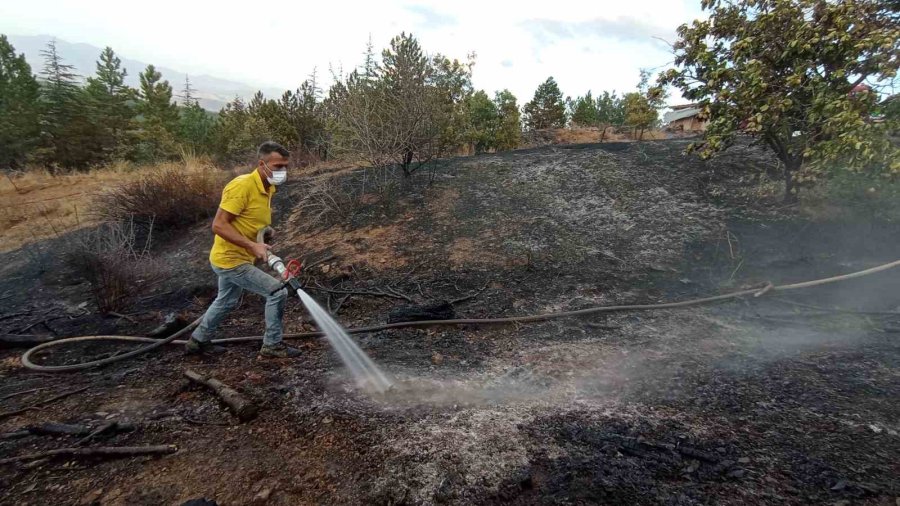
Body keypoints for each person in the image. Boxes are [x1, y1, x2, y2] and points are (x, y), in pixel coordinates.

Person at [185, 141, 302, 358]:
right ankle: (272, 345)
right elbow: (219, 225)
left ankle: (197, 341)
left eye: (285, 166)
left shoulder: (267, 187)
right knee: (277, 292)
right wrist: (252, 245)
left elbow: (248, 218)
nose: (283, 171)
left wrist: (265, 231)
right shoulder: (242, 185)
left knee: (226, 300)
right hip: (231, 260)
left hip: (240, 257)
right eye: (278, 166)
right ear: (262, 164)